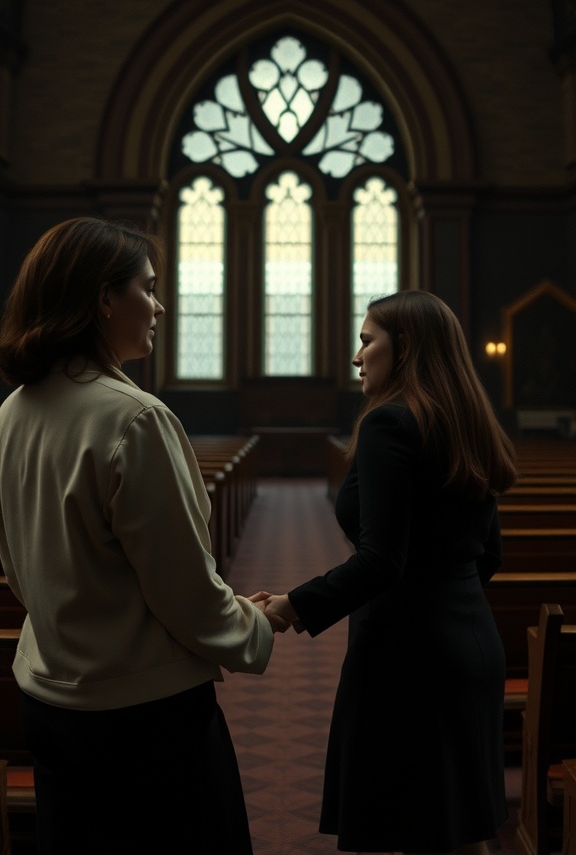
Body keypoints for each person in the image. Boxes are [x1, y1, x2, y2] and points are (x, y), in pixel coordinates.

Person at [0, 216, 287, 855]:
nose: (159, 305)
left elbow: (18, 564)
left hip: (48, 701)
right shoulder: (135, 420)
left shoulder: (12, 411)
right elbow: (182, 590)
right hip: (142, 718)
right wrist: (253, 626)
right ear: (105, 299)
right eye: (148, 288)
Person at [264, 289, 517, 855]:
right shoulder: (467, 422)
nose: (356, 358)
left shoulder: (389, 425)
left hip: (409, 655)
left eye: (366, 341)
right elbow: (489, 555)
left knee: (419, 828)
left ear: (403, 350)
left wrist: (292, 604)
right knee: (462, 828)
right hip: (472, 643)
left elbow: (382, 560)